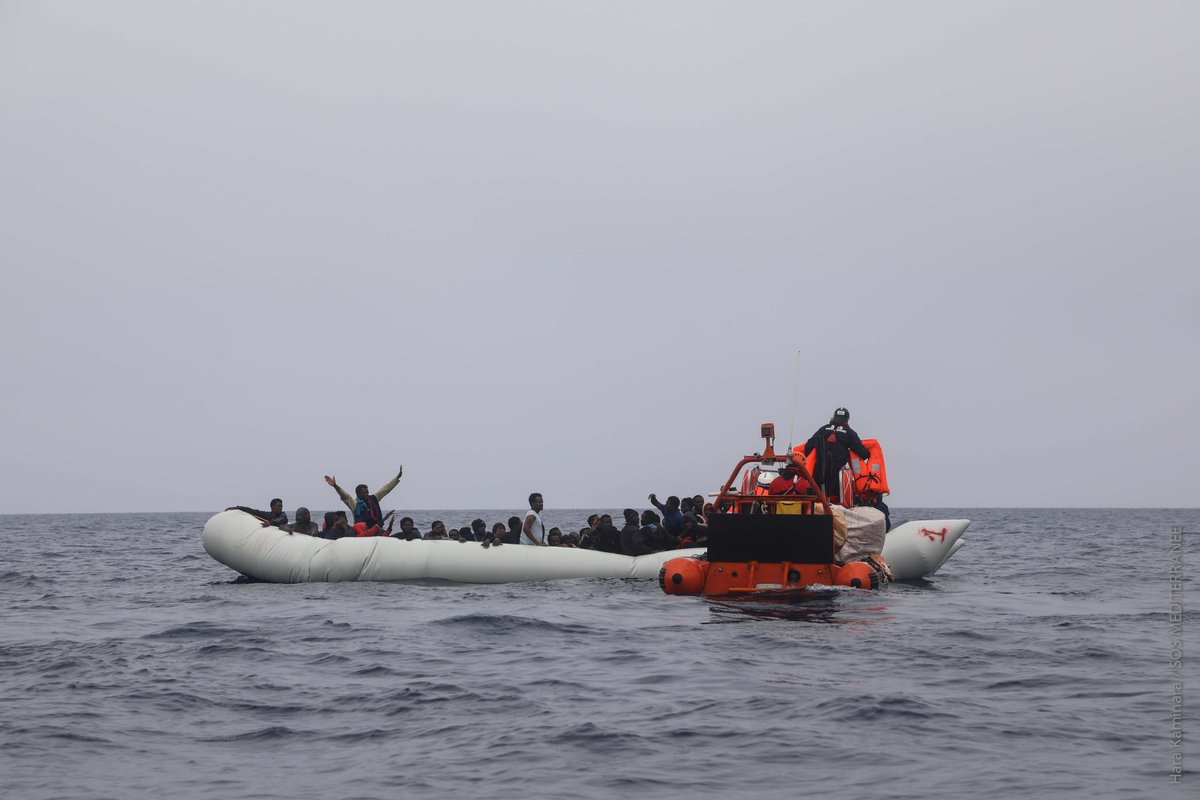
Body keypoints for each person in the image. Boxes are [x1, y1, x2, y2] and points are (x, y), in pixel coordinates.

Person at [804, 408, 870, 503]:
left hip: (818, 472)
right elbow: (863, 453)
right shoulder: (850, 433)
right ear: (847, 420)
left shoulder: (823, 429)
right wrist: (870, 453)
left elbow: (808, 446)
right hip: (836, 474)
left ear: (834, 417)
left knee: (817, 495)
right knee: (834, 499)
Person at [324, 467, 404, 530]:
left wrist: (397, 478)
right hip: (363, 531)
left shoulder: (373, 499)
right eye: (365, 493)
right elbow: (345, 496)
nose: (367, 494)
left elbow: (385, 490)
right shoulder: (354, 504)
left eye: (367, 492)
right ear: (358, 494)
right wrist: (335, 486)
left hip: (378, 529)